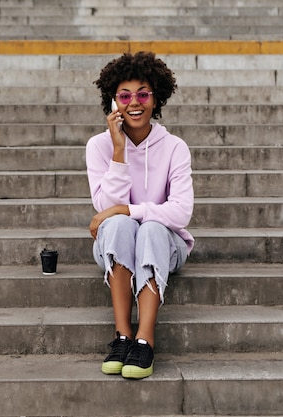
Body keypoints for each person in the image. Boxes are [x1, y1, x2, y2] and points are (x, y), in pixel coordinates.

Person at [86, 51, 194, 379]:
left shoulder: (175, 147)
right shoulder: (99, 146)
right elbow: (106, 209)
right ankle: (123, 337)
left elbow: (181, 212)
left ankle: (145, 340)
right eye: (125, 95)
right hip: (116, 241)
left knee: (149, 228)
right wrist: (119, 151)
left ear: (156, 98)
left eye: (143, 94)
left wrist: (126, 210)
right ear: (113, 102)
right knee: (119, 225)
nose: (135, 102)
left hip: (165, 243)